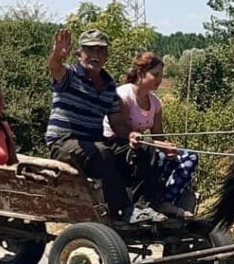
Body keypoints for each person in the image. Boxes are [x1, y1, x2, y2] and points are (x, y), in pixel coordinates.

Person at [46, 27, 164, 223]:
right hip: (64, 142)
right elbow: (55, 68)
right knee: (100, 151)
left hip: (95, 143)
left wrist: (131, 136)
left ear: (107, 55)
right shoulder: (70, 75)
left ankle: (144, 208)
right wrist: (56, 56)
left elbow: (117, 122)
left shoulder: (109, 85)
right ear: (79, 54)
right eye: (90, 50)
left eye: (100, 50)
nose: (95, 55)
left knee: (145, 150)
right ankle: (124, 209)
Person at [106, 51, 199, 219]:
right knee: (150, 154)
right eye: (155, 75)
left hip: (142, 146)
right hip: (119, 146)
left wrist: (168, 148)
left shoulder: (155, 103)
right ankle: (141, 205)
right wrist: (155, 145)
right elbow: (122, 130)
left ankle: (166, 202)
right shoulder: (124, 95)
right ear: (141, 74)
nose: (159, 80)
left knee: (188, 157)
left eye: (161, 76)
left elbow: (158, 138)